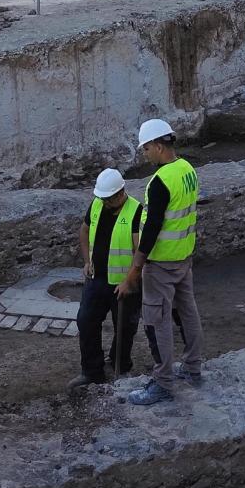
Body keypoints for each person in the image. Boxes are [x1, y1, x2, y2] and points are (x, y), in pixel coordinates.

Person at [120, 119, 204, 406]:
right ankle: (193, 368)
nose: (144, 153)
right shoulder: (187, 170)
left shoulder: (160, 182)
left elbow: (153, 226)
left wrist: (136, 268)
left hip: (161, 262)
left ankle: (163, 382)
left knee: (157, 322)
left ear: (158, 146)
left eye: (146, 148)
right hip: (183, 256)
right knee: (188, 311)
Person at [69, 168, 143, 388]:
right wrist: (86, 261)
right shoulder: (97, 205)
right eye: (101, 198)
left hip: (125, 284)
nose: (104, 202)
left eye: (108, 199)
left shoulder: (136, 212)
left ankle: (121, 366)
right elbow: (83, 231)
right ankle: (92, 371)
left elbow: (141, 252)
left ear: (120, 194)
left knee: (125, 327)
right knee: (86, 321)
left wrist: (129, 281)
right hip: (97, 279)